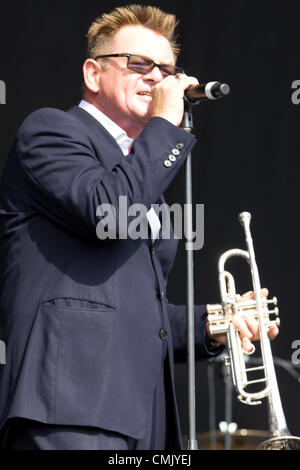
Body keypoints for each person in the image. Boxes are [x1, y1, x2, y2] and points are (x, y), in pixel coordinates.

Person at [0, 5, 278, 450]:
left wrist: (216, 323)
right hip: (70, 406)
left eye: (167, 69)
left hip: (142, 418)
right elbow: (104, 210)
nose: (158, 79)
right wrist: (166, 124)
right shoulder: (52, 131)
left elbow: (139, 316)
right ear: (94, 74)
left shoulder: (139, 171)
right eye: (139, 64)